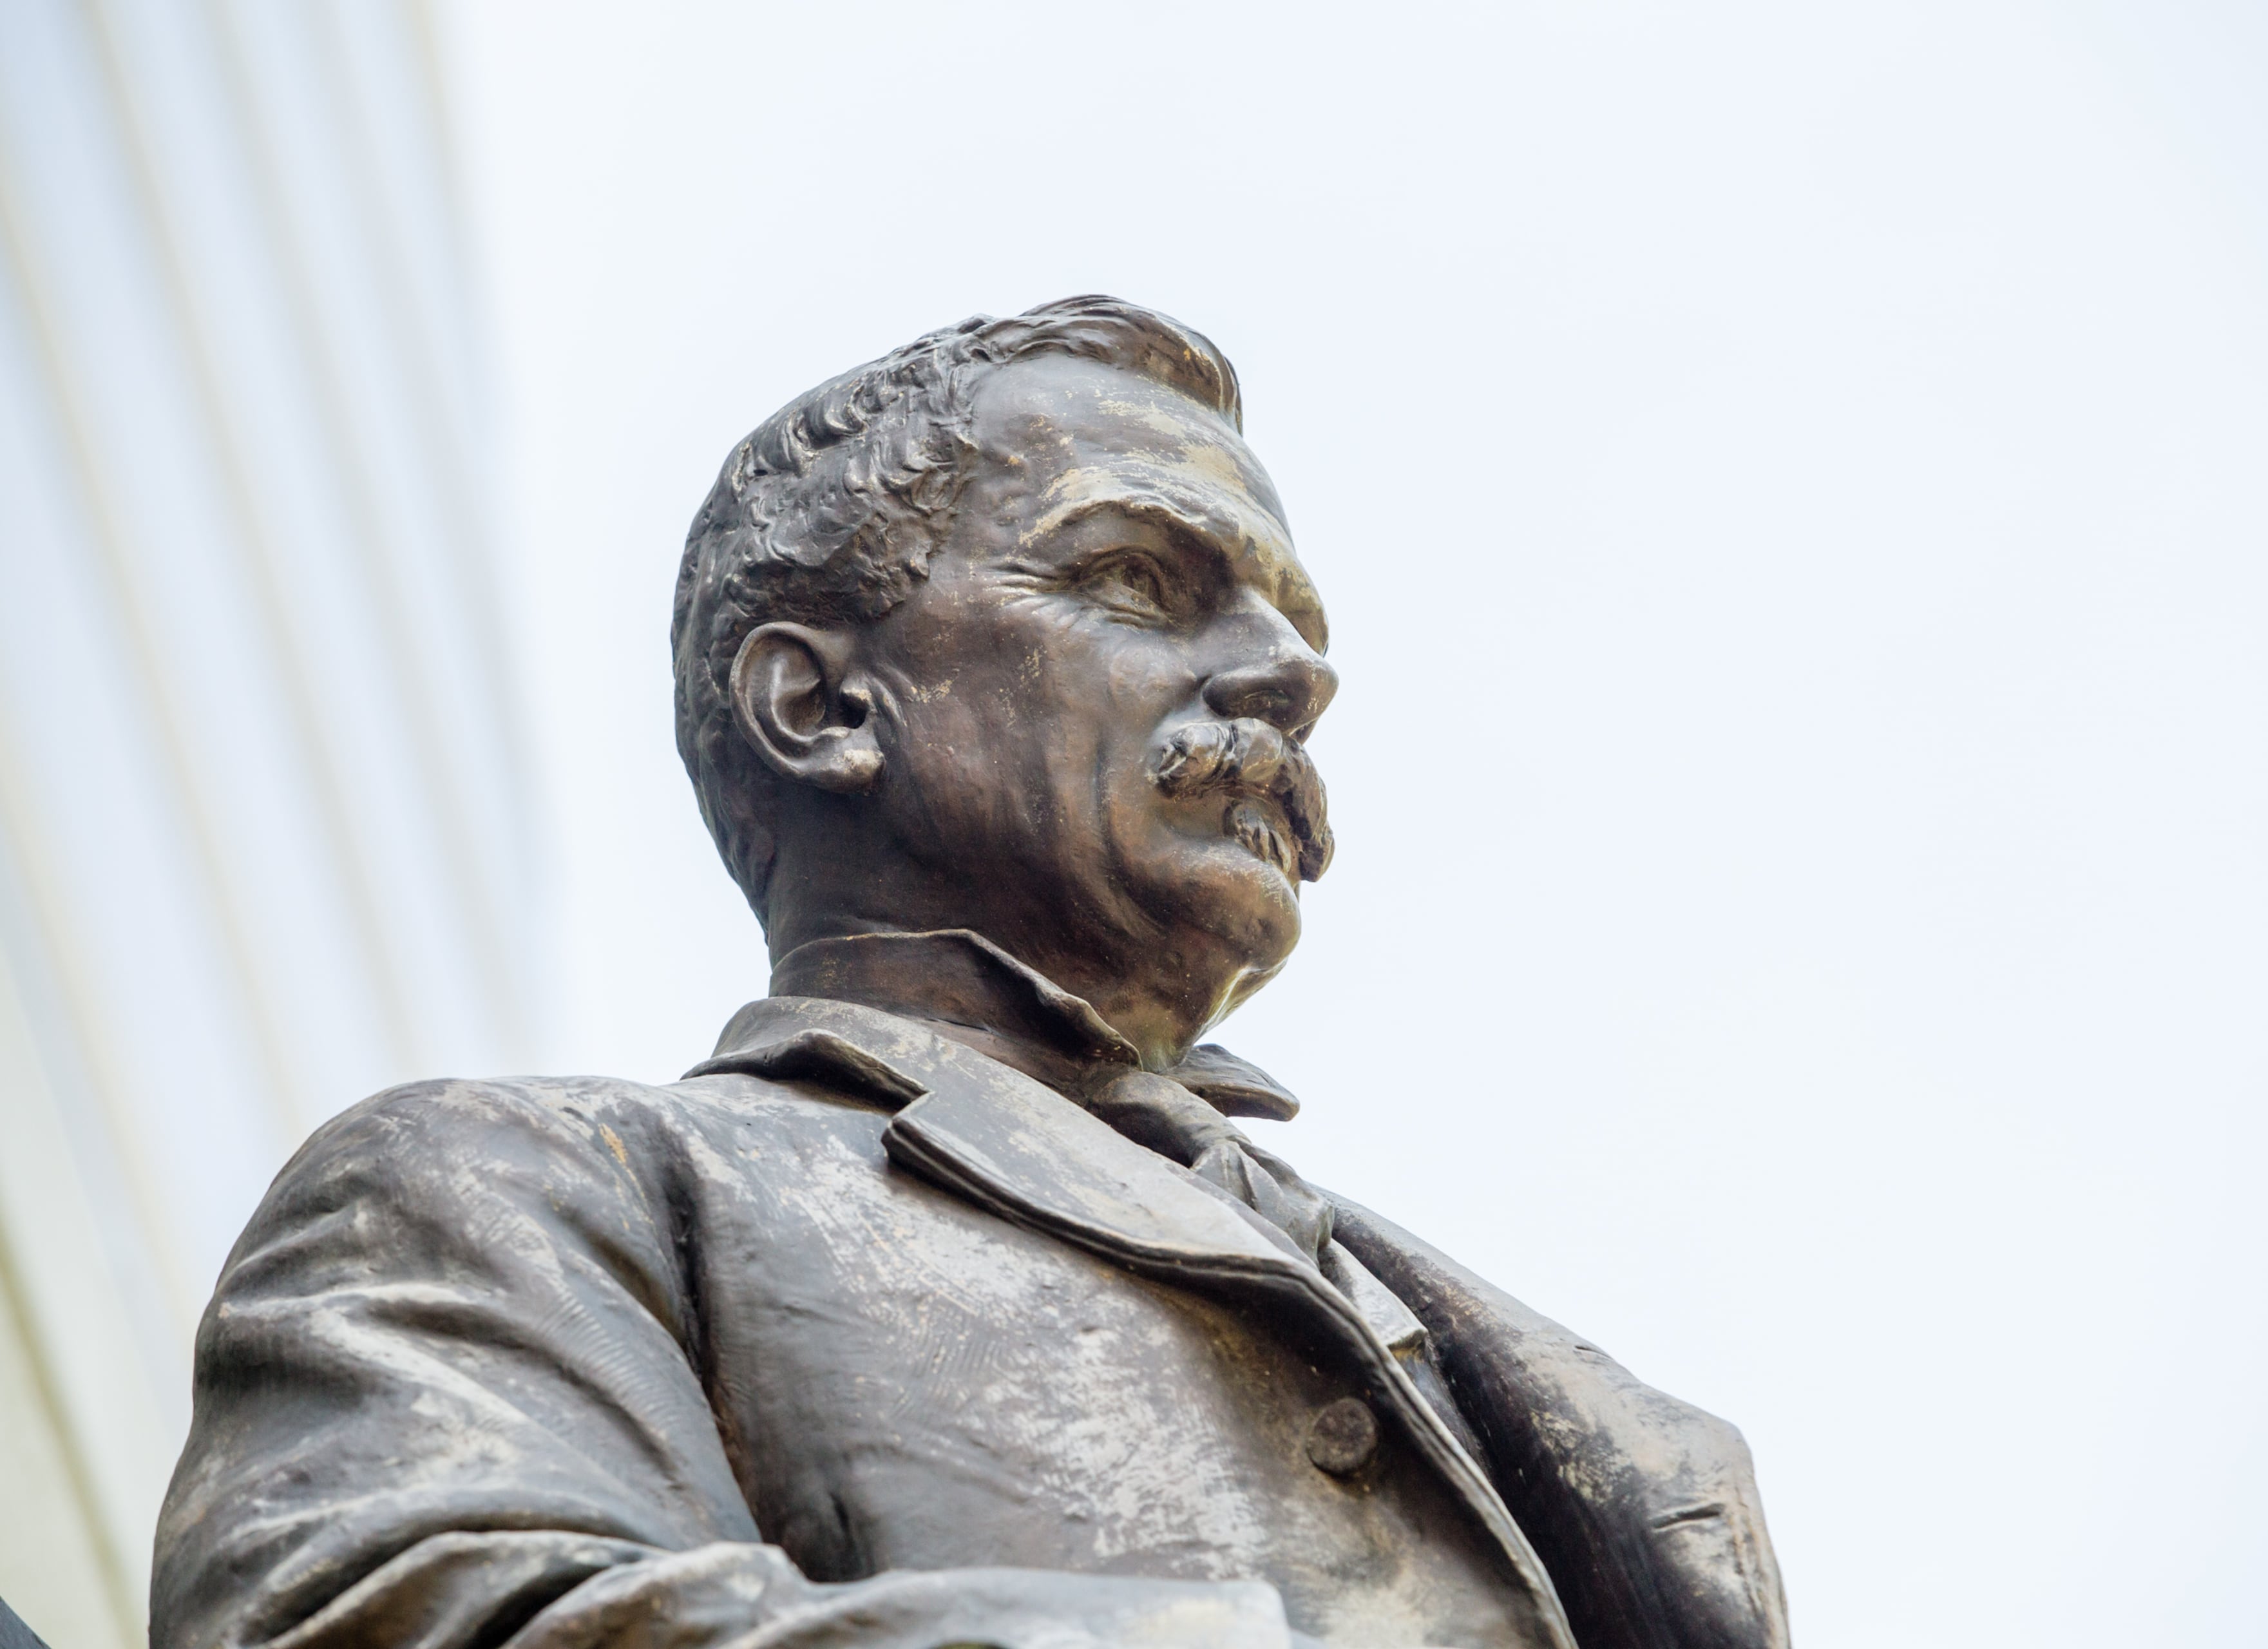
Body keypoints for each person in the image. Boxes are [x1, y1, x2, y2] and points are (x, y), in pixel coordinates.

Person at [153, 298, 1790, 1649]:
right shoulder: (516, 1184)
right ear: (822, 706)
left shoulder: (1536, 1367)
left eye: (1291, 623)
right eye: (1140, 579)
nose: (1291, 675)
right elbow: (378, 1613)